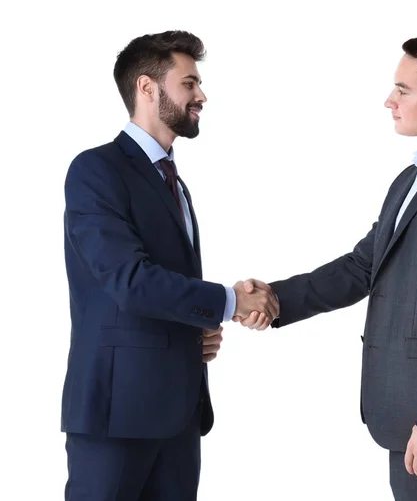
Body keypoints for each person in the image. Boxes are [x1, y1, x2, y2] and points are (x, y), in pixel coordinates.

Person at [236, 31, 417, 501]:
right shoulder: (413, 177)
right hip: (407, 417)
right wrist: (274, 300)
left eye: (403, 89)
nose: (389, 101)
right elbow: (363, 266)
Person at [61, 30, 279, 500]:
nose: (201, 95)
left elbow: (165, 290)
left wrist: (194, 329)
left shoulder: (176, 184)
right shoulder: (95, 170)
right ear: (147, 87)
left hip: (179, 416)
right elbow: (128, 280)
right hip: (117, 415)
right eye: (189, 83)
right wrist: (229, 301)